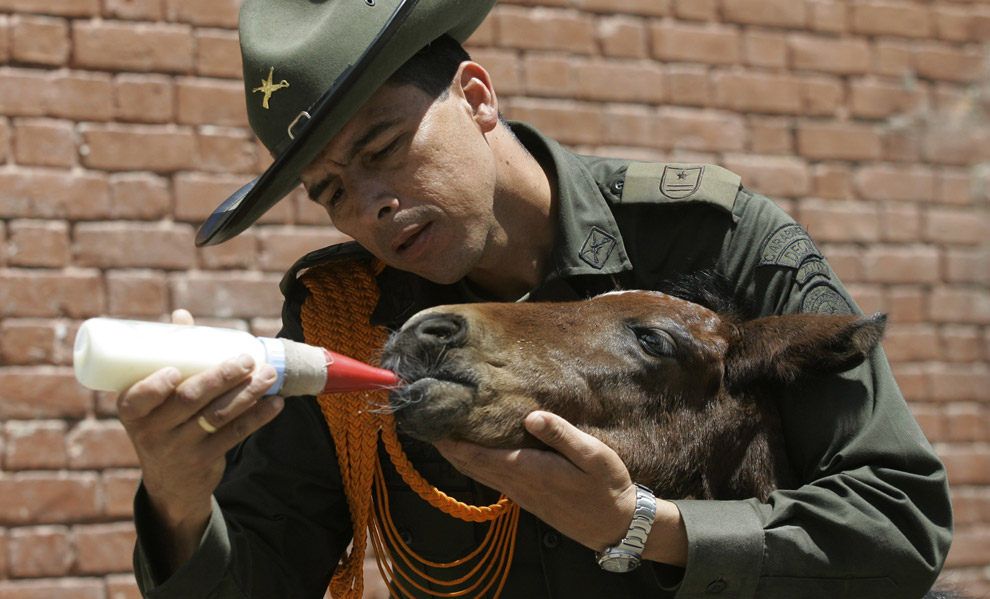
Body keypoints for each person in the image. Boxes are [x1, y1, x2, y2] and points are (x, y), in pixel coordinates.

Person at [118, 1, 953, 597]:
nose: (368, 203)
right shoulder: (342, 320)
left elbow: (902, 520)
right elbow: (269, 574)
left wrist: (643, 527)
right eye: (330, 190)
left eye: (383, 145)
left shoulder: (716, 239)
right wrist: (180, 501)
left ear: (477, 98)